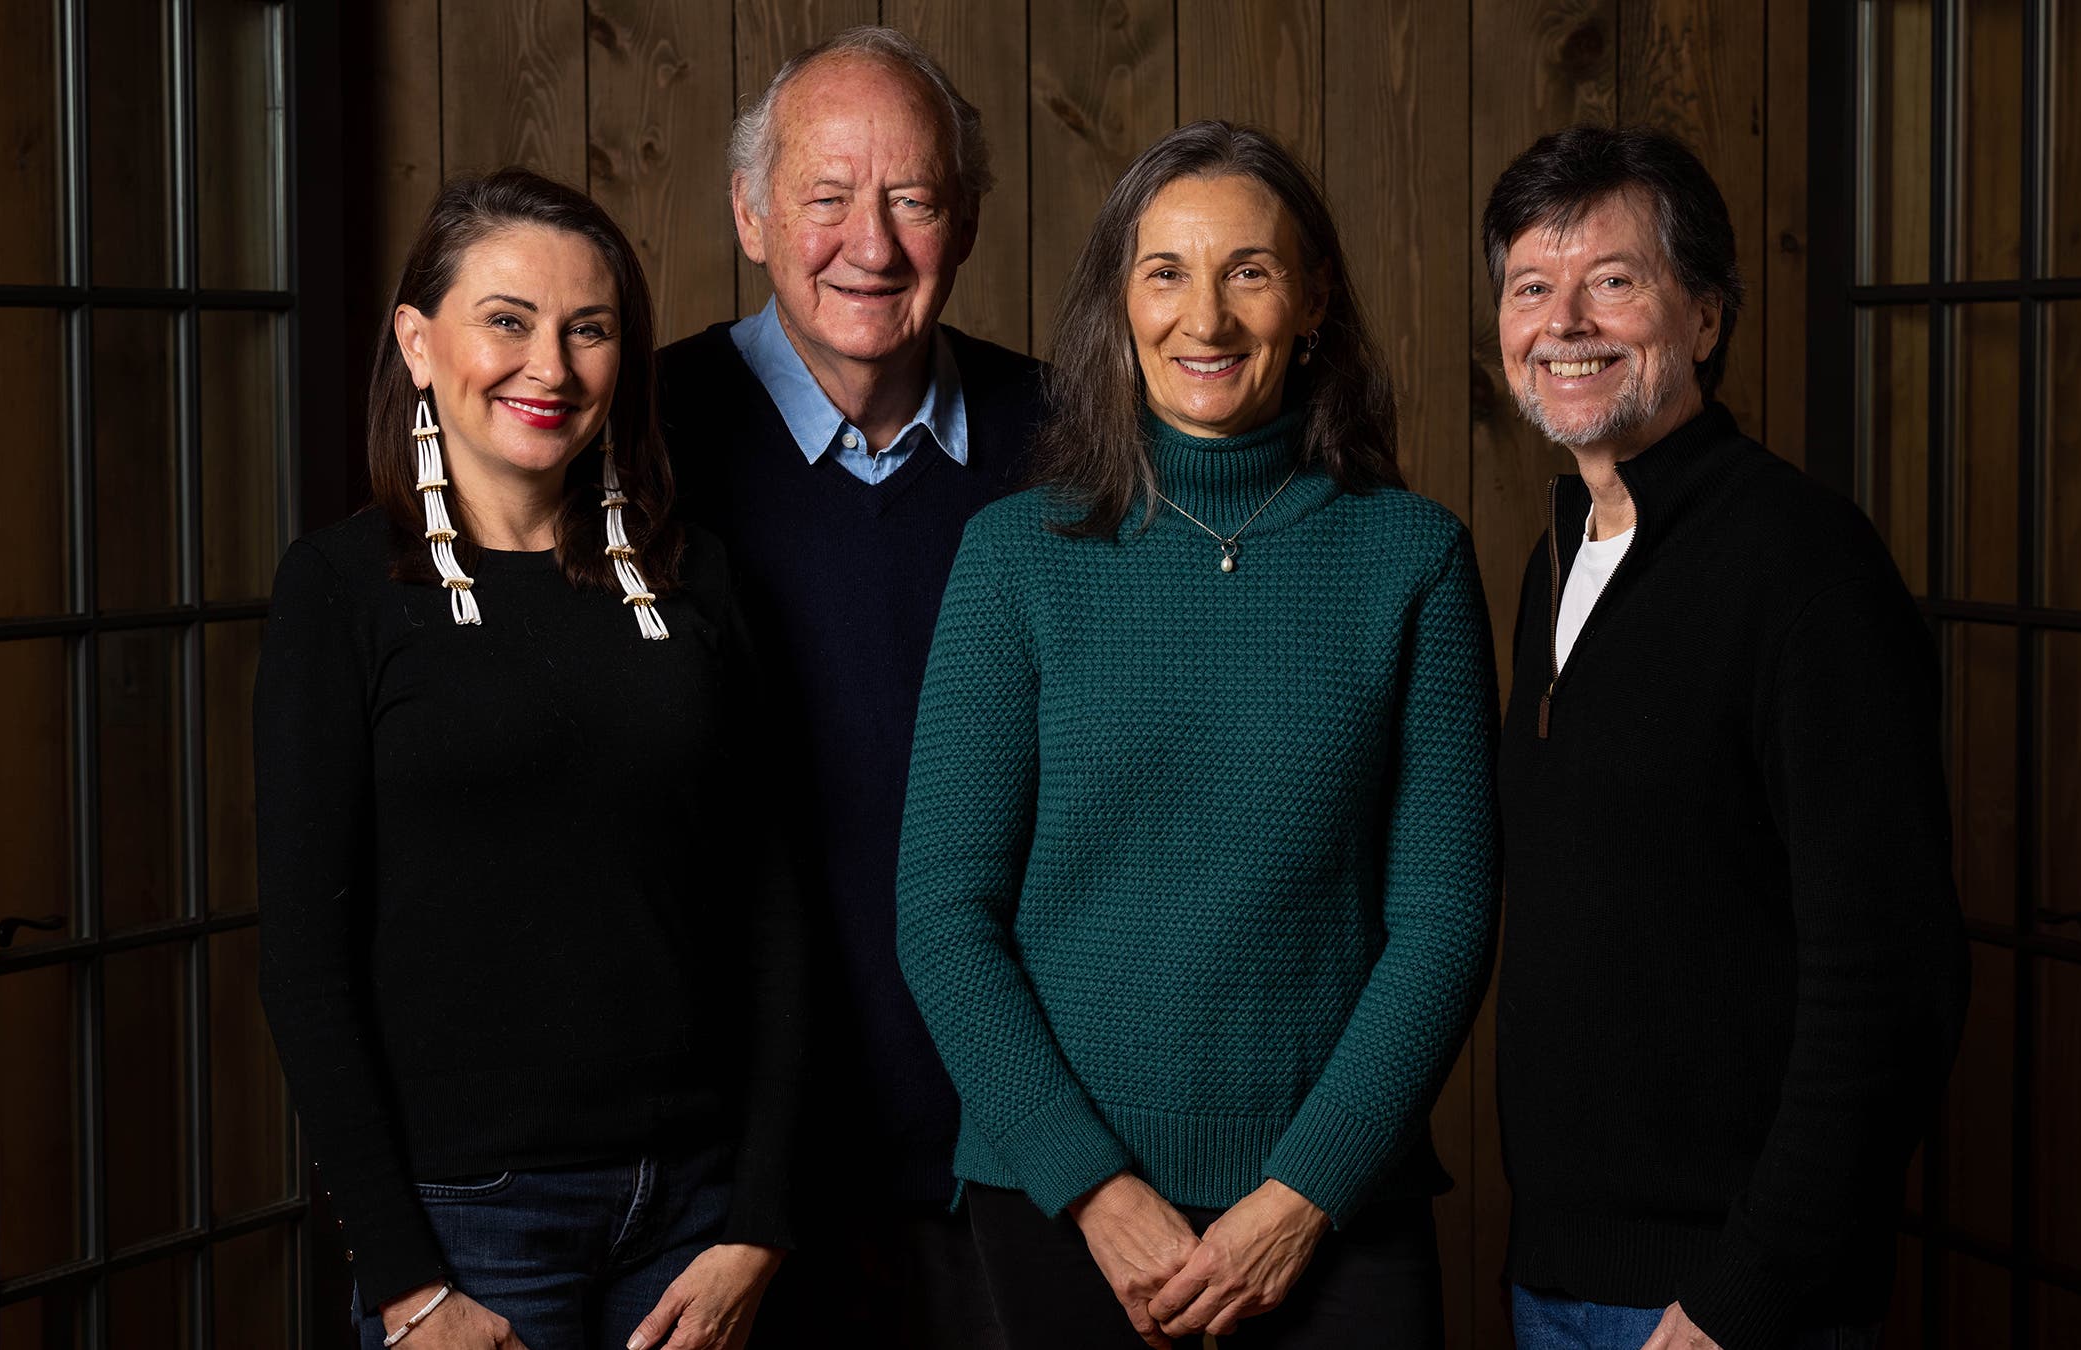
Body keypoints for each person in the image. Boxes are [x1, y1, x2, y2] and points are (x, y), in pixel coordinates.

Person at [896, 120, 1499, 1349]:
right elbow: (943, 916)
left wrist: (1302, 1196)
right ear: (1119, 299)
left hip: (1333, 1214)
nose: (1205, 318)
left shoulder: (1414, 558)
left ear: (1315, 297)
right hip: (1062, 1210)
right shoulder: (1015, 559)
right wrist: (1099, 1192)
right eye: (1165, 271)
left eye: (1250, 271)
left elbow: (1443, 919)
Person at [257, 169, 805, 1350]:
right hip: (468, 1229)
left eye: (589, 329)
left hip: (692, 1214)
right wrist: (409, 1286)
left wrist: (757, 1221)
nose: (549, 367)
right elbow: (304, 960)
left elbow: (774, 913)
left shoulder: (697, 579)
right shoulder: (341, 593)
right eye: (506, 320)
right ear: (417, 339)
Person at [1484, 126, 1969, 1350]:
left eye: (1615, 280)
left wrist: (1735, 1301)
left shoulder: (1805, 569)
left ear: (1704, 318)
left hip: (1733, 1304)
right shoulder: (1563, 555)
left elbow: (1892, 991)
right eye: (1531, 287)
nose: (1566, 321)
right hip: (1559, 1279)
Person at [653, 26, 1040, 1348]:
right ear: (752, 215)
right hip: (722, 1178)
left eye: (914, 198)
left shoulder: (1068, 447)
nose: (869, 243)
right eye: (825, 196)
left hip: (1012, 1151)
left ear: (969, 220)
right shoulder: (641, 443)